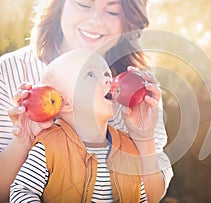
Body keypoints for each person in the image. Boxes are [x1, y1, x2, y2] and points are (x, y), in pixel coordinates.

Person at [0, 0, 173, 202]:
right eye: (83, 4)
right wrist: (22, 142)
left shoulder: (140, 90)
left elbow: (150, 197)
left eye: (112, 11)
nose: (95, 20)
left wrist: (144, 141)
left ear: (127, 19)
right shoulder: (9, 72)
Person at [10, 48, 163, 202]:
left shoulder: (129, 149)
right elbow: (22, 191)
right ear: (63, 102)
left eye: (107, 74)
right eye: (90, 75)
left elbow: (141, 198)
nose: (108, 80)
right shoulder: (49, 146)